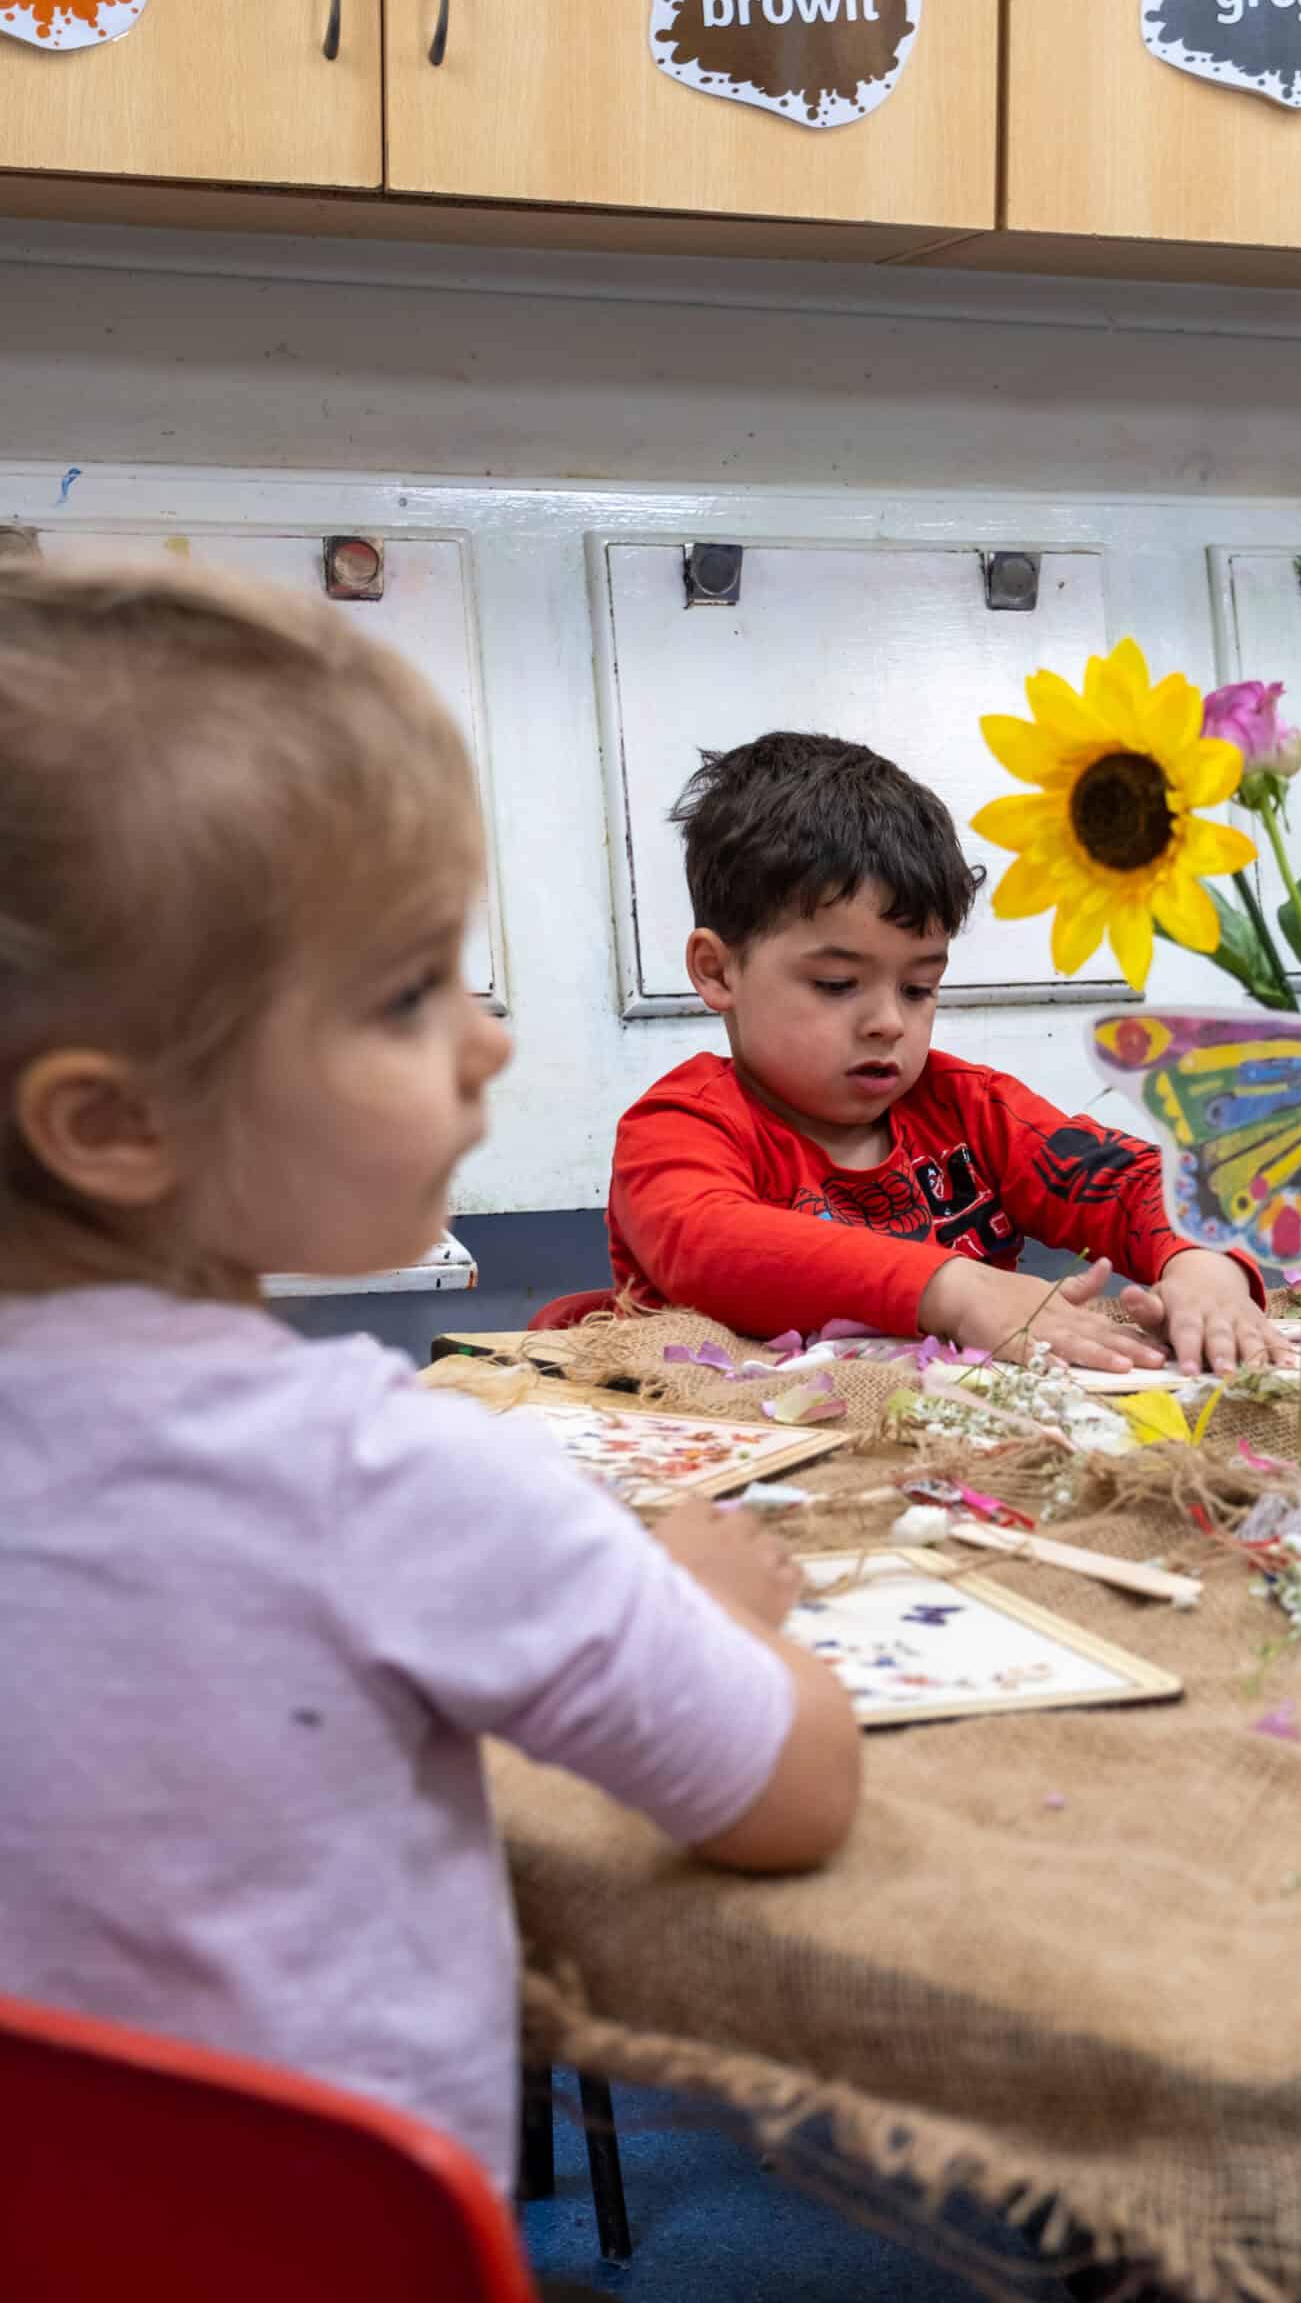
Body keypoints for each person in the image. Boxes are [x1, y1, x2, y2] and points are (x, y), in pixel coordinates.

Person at [0, 564, 860, 2218]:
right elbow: (788, 1797)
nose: (488, 1044)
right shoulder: (383, 1477)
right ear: (112, 1127)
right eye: (407, 994)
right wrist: (703, 1599)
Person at [607, 733, 1291, 1375]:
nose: (887, 1023)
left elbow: (1134, 1183)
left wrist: (1204, 1266)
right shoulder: (679, 1127)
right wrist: (956, 1290)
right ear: (718, 971)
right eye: (837, 984)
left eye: (918, 987)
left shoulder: (969, 1108)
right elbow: (707, 1242)